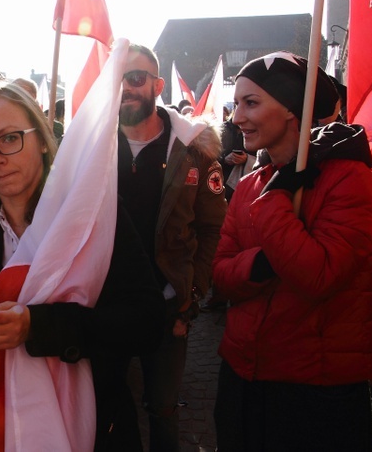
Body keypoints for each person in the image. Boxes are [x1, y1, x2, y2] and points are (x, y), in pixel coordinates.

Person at [0, 81, 165, 450]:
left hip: (87, 427)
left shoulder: (94, 217)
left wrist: (36, 326)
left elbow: (147, 323)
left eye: (9, 138)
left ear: (40, 138)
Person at [212, 51, 372, 451]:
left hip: (317, 391)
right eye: (237, 104)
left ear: (292, 110)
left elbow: (318, 275)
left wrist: (276, 200)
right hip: (243, 378)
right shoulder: (251, 184)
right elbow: (220, 275)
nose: (237, 117)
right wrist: (264, 263)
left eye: (251, 103)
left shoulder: (348, 179)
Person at [117, 44, 226, 452]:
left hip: (167, 305)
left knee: (162, 409)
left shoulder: (194, 150)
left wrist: (191, 297)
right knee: (107, 405)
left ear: (157, 85)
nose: (126, 87)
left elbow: (214, 228)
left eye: (136, 77)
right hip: (106, 302)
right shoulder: (90, 150)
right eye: (118, 78)